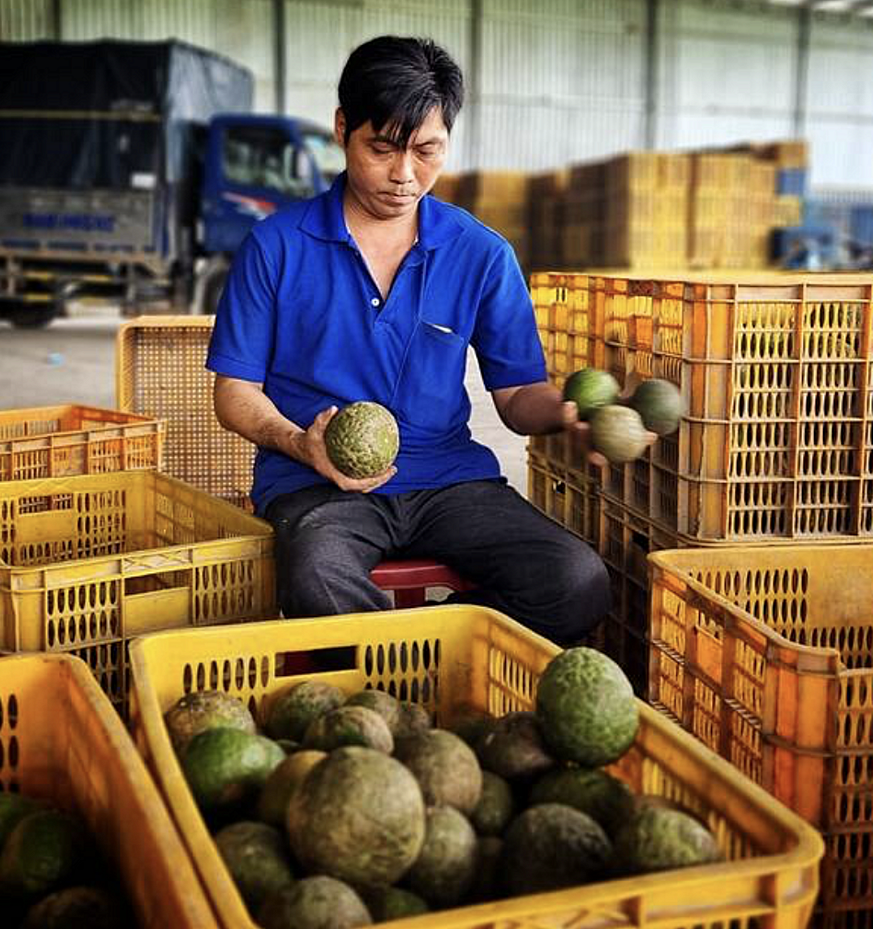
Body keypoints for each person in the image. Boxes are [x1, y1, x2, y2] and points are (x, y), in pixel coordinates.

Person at [207, 35, 615, 644]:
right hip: (317, 486)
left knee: (576, 578)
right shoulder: (276, 246)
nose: (404, 175)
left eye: (427, 151)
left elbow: (518, 396)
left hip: (448, 480)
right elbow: (235, 393)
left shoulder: (480, 253)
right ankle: (401, 696)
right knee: (317, 576)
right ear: (343, 128)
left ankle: (435, 656)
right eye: (382, 148)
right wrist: (299, 443)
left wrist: (567, 411)